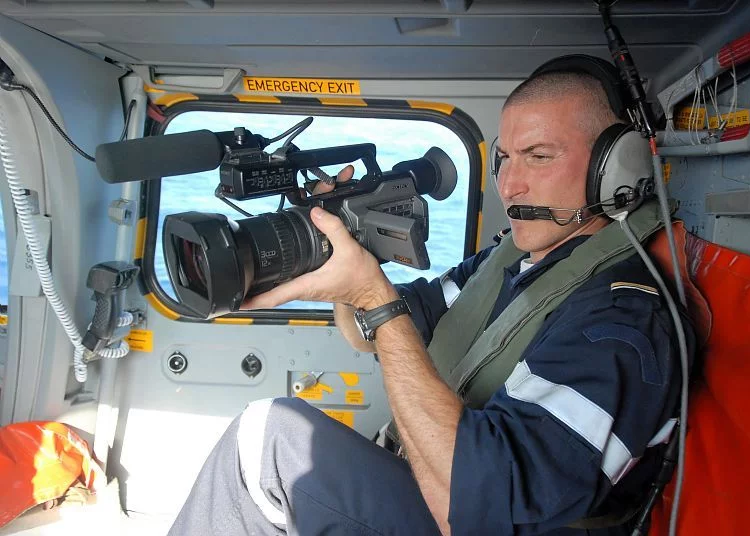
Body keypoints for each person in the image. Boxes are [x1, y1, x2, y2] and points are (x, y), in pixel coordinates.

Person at [168, 57, 693, 536]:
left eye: (538, 157)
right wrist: (346, 259)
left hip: (471, 516)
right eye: (505, 158)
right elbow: (372, 336)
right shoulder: (503, 263)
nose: (508, 186)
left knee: (268, 443)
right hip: (422, 480)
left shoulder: (622, 320)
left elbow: (482, 507)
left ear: (614, 168)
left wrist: (373, 294)